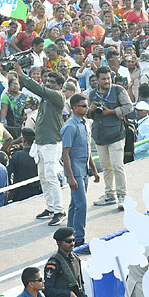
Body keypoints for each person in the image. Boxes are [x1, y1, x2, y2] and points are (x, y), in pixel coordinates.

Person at [13, 65, 66, 226]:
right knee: (43, 177)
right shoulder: (46, 96)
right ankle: (50, 207)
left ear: (60, 86)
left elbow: (38, 89)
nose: (48, 84)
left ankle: (59, 210)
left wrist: (22, 75)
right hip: (41, 142)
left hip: (52, 143)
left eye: (52, 82)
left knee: (51, 176)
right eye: (47, 81)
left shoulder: (57, 96)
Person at [88, 67, 131, 208]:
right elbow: (88, 115)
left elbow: (129, 107)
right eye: (103, 79)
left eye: (108, 78)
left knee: (117, 166)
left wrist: (111, 112)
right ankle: (109, 194)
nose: (107, 81)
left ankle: (122, 196)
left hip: (116, 135)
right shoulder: (92, 94)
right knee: (106, 167)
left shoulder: (118, 90)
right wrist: (91, 110)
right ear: (97, 80)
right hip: (100, 136)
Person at [62, 94, 98, 248]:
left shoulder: (85, 124)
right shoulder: (70, 126)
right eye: (83, 106)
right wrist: (70, 177)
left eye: (86, 105)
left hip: (83, 170)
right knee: (81, 205)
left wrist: (94, 170)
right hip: (75, 171)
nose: (86, 107)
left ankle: (67, 236)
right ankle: (79, 240)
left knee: (75, 204)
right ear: (75, 108)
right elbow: (66, 154)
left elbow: (87, 149)